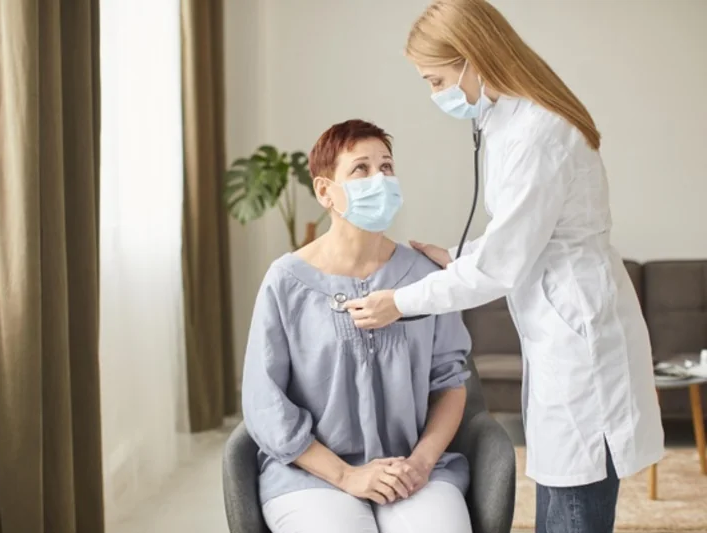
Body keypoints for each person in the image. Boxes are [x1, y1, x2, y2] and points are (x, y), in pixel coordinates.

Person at [343, 1, 664, 532]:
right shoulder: (506, 120)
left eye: (436, 80)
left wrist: (398, 302)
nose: (435, 94)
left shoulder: (537, 134)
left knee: (574, 505)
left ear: (472, 58)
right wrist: (459, 257)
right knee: (562, 494)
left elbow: (502, 267)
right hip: (562, 326)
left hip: (579, 335)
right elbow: (524, 234)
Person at [241, 119, 474, 533]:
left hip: (412, 470)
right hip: (312, 475)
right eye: (361, 169)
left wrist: (420, 464)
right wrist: (347, 476)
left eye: (386, 167)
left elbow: (449, 384)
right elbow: (265, 403)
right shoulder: (286, 282)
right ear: (325, 191)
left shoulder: (425, 277)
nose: (379, 179)